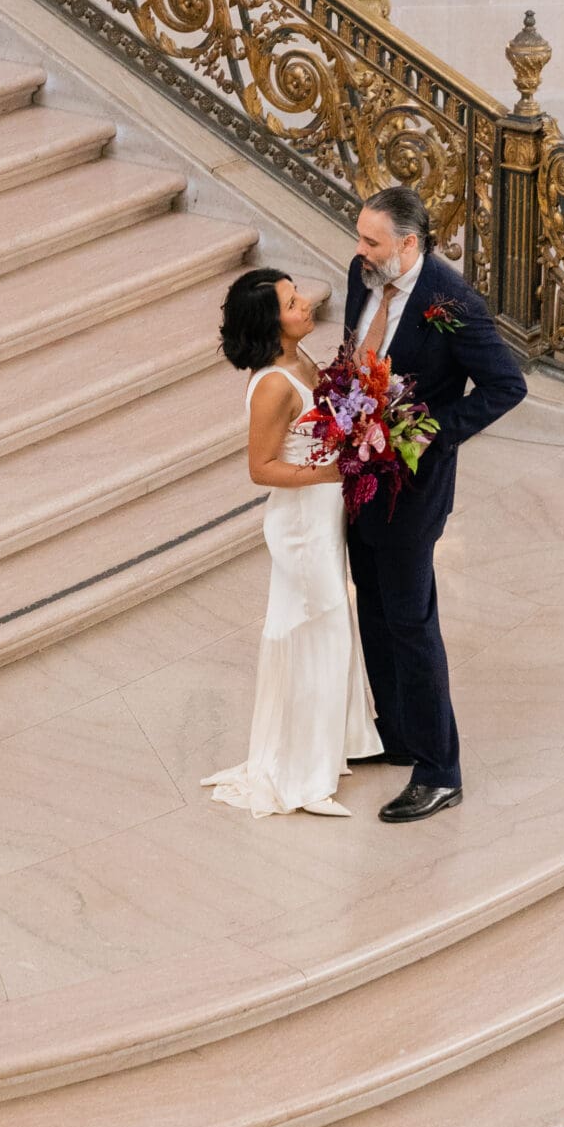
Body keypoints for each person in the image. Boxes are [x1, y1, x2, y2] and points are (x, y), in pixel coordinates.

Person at [344, 184, 526, 822]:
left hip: (413, 488)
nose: (359, 249)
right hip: (358, 476)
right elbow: (355, 355)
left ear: (409, 243)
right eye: (360, 236)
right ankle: (395, 732)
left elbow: (507, 384)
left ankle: (439, 769)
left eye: (372, 240)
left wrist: (427, 434)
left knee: (412, 622)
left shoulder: (454, 303)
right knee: (372, 607)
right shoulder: (362, 273)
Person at [204, 267, 380, 817]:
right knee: (315, 624)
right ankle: (301, 765)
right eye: (290, 302)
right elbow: (261, 468)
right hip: (301, 522)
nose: (304, 303)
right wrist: (329, 474)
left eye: (296, 294)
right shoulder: (275, 385)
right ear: (270, 325)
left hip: (323, 515)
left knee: (330, 623)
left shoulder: (299, 361)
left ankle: (335, 741)